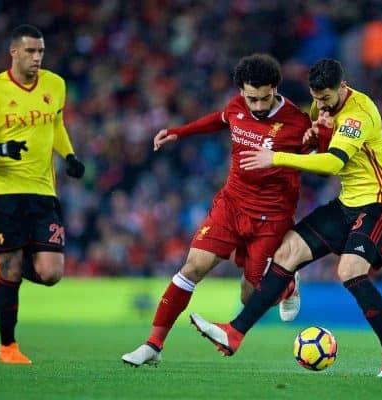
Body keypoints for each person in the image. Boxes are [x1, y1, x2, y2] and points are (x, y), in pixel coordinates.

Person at [190, 58, 382, 378]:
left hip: (379, 203)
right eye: (316, 97)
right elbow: (319, 149)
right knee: (286, 251)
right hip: (348, 202)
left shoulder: (357, 115)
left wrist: (275, 158)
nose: (321, 105)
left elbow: (333, 164)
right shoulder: (318, 109)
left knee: (349, 270)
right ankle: (234, 332)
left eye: (327, 98)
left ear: (342, 88)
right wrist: (312, 139)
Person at [121, 53, 328, 367]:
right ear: (242, 91)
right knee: (192, 267)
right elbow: (219, 119)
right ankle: (153, 345)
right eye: (251, 98)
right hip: (231, 206)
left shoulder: (297, 123)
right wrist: (180, 131)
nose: (257, 106)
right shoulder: (237, 106)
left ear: (275, 88)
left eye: (264, 98)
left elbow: (323, 163)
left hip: (270, 219)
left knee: (250, 297)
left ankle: (287, 283)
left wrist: (321, 137)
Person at [0, 24, 85, 364]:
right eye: (30, 51)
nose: (37, 58)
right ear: (13, 52)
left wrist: (68, 155)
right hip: (3, 190)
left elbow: (55, 124)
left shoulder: (55, 85)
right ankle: (7, 347)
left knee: (51, 273)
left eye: (40, 51)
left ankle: (1, 260)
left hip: (43, 190)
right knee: (14, 273)